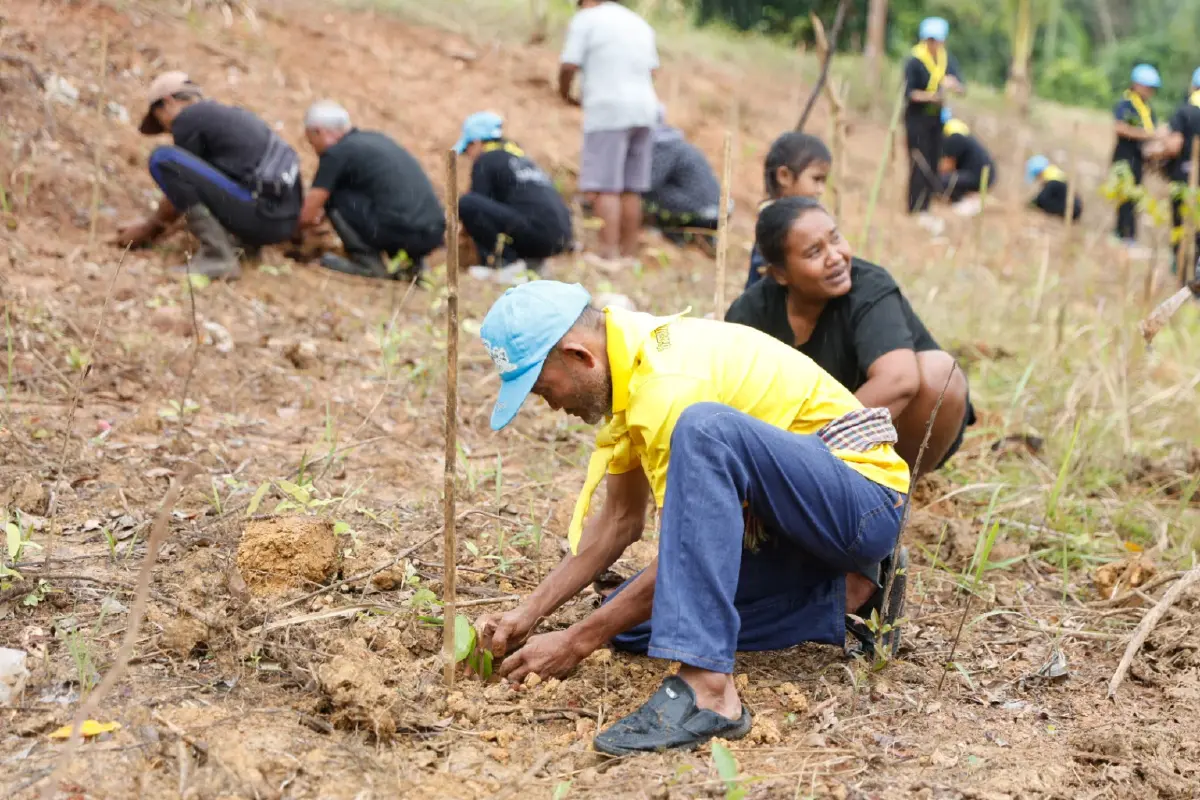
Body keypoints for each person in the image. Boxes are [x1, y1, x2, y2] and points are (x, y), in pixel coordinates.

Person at [473, 280, 910, 755]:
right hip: (803, 523)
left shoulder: (667, 384)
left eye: (542, 388)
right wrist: (529, 613)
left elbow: (684, 553)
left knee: (704, 429)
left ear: (581, 357)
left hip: (862, 501)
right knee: (638, 627)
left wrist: (576, 642)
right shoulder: (631, 366)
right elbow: (619, 521)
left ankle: (709, 691)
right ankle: (852, 590)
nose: (551, 404)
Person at [726, 197, 973, 475]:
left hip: (893, 432)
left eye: (835, 239)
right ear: (780, 274)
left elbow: (899, 380)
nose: (835, 257)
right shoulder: (749, 315)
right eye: (814, 252)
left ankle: (895, 488)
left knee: (941, 372)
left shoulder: (869, 286)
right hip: (796, 442)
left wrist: (812, 449)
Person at [116, 71, 302, 279]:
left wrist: (149, 230)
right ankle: (241, 247)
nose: (168, 130)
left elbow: (179, 185)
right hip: (281, 222)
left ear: (168, 103)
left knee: (163, 159)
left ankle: (218, 256)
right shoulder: (225, 117)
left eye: (160, 122)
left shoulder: (188, 118)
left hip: (261, 212)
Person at [560, 0, 659, 267]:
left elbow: (569, 64)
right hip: (646, 109)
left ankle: (608, 255)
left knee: (606, 186)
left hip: (608, 110)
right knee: (631, 187)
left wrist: (565, 93)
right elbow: (653, 70)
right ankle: (628, 255)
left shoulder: (587, 19)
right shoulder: (637, 22)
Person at [298, 101, 444, 280]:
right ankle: (414, 266)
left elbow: (309, 211)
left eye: (310, 140)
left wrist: (286, 232)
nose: (313, 148)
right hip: (433, 232)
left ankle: (367, 264)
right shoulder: (375, 140)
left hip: (401, 233)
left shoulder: (337, 153)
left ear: (319, 132)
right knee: (390, 205)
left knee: (334, 196)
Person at [453, 112, 573, 285]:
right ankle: (533, 264)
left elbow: (478, 206)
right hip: (561, 236)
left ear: (477, 142)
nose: (469, 155)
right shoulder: (521, 157)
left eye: (467, 149)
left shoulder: (486, 160)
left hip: (536, 233)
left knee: (468, 203)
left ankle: (505, 265)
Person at [744, 132, 831, 288]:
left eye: (824, 181)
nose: (821, 190)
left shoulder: (794, 218)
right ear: (784, 176)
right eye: (816, 179)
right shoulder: (775, 223)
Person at [903, 17, 964, 219]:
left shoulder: (947, 60)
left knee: (932, 161)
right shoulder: (915, 60)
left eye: (937, 40)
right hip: (917, 119)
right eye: (930, 40)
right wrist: (932, 96)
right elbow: (908, 92)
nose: (934, 44)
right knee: (918, 162)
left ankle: (926, 206)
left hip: (936, 120)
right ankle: (915, 207)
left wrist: (954, 85)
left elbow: (961, 87)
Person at [643, 104, 723, 252]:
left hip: (703, 213)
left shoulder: (664, 145)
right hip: (715, 211)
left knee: (642, 189)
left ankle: (671, 233)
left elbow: (648, 184)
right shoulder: (674, 141)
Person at [1145, 67, 1200, 275]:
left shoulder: (1184, 111)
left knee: (1181, 223)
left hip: (1185, 178)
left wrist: (1156, 155)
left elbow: (1174, 145)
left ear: (1193, 86)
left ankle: (1179, 267)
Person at [1110, 64, 1160, 248]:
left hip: (1138, 159)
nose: (1149, 92)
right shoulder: (1126, 104)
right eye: (1147, 87)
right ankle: (1122, 234)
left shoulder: (1147, 109)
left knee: (1135, 198)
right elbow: (1120, 127)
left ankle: (1129, 235)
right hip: (1124, 157)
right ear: (1136, 85)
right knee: (1123, 196)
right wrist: (1146, 135)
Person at [938, 108, 996, 213]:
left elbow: (947, 166)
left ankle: (970, 199)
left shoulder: (954, 136)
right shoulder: (959, 132)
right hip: (981, 174)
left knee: (940, 181)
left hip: (976, 175)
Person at [1026, 155, 1082, 221]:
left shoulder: (1053, 181)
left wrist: (1029, 205)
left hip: (1071, 211)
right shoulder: (1057, 175)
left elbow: (1041, 199)